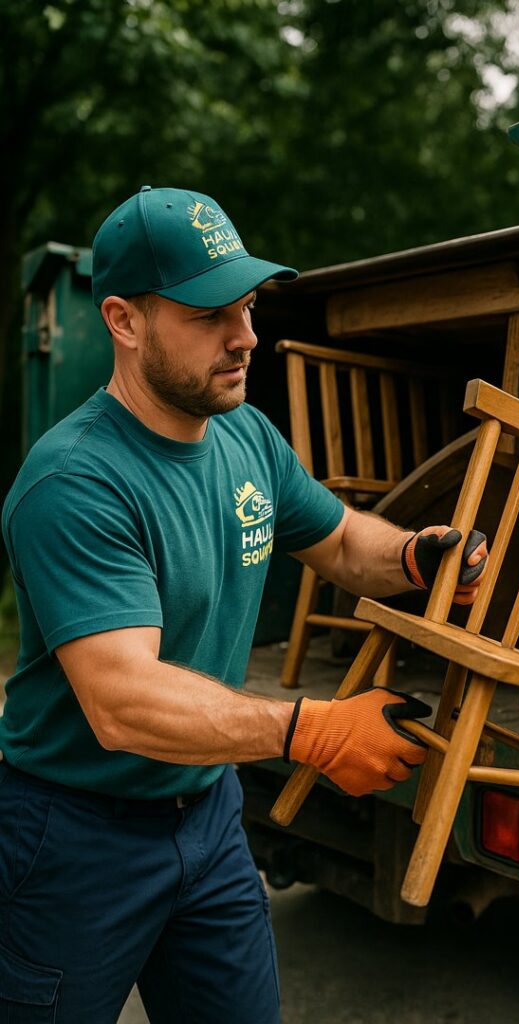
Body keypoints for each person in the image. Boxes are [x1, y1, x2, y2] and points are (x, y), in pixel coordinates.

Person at [0, 186, 487, 1023]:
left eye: (250, 304)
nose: (245, 336)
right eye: (208, 314)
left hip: (212, 821)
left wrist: (412, 553)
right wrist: (315, 730)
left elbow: (337, 543)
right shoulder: (74, 482)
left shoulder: (244, 436)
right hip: (74, 839)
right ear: (123, 320)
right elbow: (122, 702)